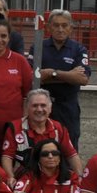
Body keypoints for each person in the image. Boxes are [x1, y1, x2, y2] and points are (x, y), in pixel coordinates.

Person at [39, 9, 91, 151]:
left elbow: (82, 78)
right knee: (43, 148)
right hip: (42, 106)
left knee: (69, 148)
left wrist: (52, 73)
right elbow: (35, 77)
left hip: (68, 108)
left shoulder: (79, 49)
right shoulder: (38, 47)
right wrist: (68, 76)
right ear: (48, 27)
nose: (60, 29)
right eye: (56, 25)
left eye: (64, 25)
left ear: (71, 28)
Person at [0, 89, 82, 177]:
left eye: (43, 105)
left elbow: (72, 156)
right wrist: (10, 177)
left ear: (50, 108)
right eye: (35, 106)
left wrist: (79, 178)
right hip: (25, 178)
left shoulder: (59, 128)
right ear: (27, 108)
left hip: (53, 178)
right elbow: (7, 157)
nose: (39, 109)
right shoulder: (15, 128)